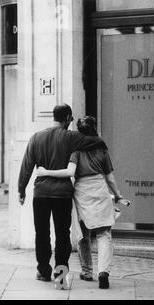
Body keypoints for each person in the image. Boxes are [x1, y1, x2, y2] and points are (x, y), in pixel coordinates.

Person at [18, 104, 108, 285]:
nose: (71, 122)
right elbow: (95, 141)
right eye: (71, 119)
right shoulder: (71, 138)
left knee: (41, 233)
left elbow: (26, 166)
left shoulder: (36, 138)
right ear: (67, 118)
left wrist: (22, 191)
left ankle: (43, 271)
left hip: (41, 194)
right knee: (62, 234)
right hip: (63, 195)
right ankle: (60, 276)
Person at [37, 116, 130, 289]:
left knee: (83, 233)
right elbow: (109, 177)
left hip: (81, 191)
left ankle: (87, 271)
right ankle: (103, 272)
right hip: (99, 188)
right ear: (94, 128)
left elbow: (70, 172)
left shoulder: (76, 149)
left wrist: (45, 172)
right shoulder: (101, 147)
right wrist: (117, 195)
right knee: (104, 233)